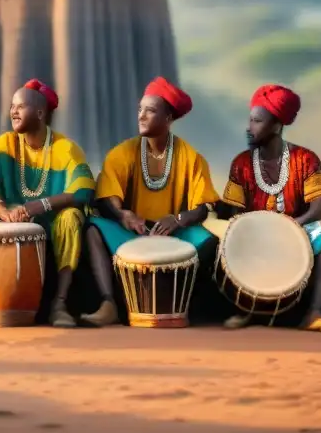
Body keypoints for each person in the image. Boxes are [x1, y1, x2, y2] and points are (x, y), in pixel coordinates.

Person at [83, 77, 221, 327]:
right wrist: (123, 214)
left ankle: (178, 305)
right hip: (134, 231)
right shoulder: (123, 153)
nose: (142, 116)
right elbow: (107, 195)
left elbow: (202, 207)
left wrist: (177, 219)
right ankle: (109, 303)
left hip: (174, 233)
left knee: (208, 240)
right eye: (140, 109)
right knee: (93, 229)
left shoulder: (190, 157)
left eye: (150, 110)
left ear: (168, 118)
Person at [0, 79, 96, 328]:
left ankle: (60, 303)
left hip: (53, 220)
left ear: (39, 112)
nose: (13, 111)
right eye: (12, 106)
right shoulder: (3, 145)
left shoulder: (65, 148)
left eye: (20, 106)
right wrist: (4, 212)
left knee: (70, 218)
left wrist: (42, 205)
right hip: (12, 219)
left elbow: (84, 189)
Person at [220, 83, 321, 333]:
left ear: (277, 125)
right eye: (250, 120)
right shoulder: (241, 163)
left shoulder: (304, 159)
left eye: (257, 121)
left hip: (299, 228)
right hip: (256, 233)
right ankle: (245, 310)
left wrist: (292, 226)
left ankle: (315, 313)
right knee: (227, 242)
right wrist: (217, 208)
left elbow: (319, 208)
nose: (249, 128)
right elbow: (233, 210)